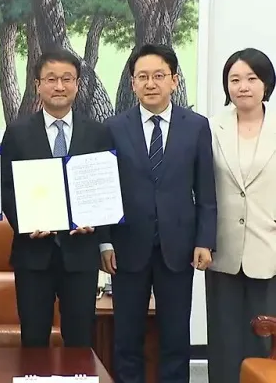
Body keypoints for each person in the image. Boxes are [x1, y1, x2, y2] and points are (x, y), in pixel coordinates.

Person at [100, 43, 217, 383]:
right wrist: (104, 243)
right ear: (133, 83)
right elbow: (104, 191)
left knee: (175, 337)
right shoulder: (113, 127)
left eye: (158, 76)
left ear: (174, 80)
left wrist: (205, 240)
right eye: (142, 77)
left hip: (178, 247)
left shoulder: (196, 126)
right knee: (127, 337)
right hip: (127, 248)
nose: (150, 83)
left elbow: (206, 190)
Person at [0, 48, 113, 348]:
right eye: (51, 79)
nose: (59, 86)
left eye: (67, 79)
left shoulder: (98, 133)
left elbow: (104, 187)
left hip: (81, 253)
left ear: (78, 84)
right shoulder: (18, 132)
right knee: (34, 339)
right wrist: (26, 222)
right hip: (33, 253)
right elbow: (5, 187)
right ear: (38, 85)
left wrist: (97, 224)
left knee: (80, 339)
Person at [206, 48, 276, 383]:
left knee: (264, 339)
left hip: (269, 247)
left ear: (266, 84)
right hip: (222, 248)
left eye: (251, 78)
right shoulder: (211, 128)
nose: (242, 86)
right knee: (224, 340)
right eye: (234, 80)